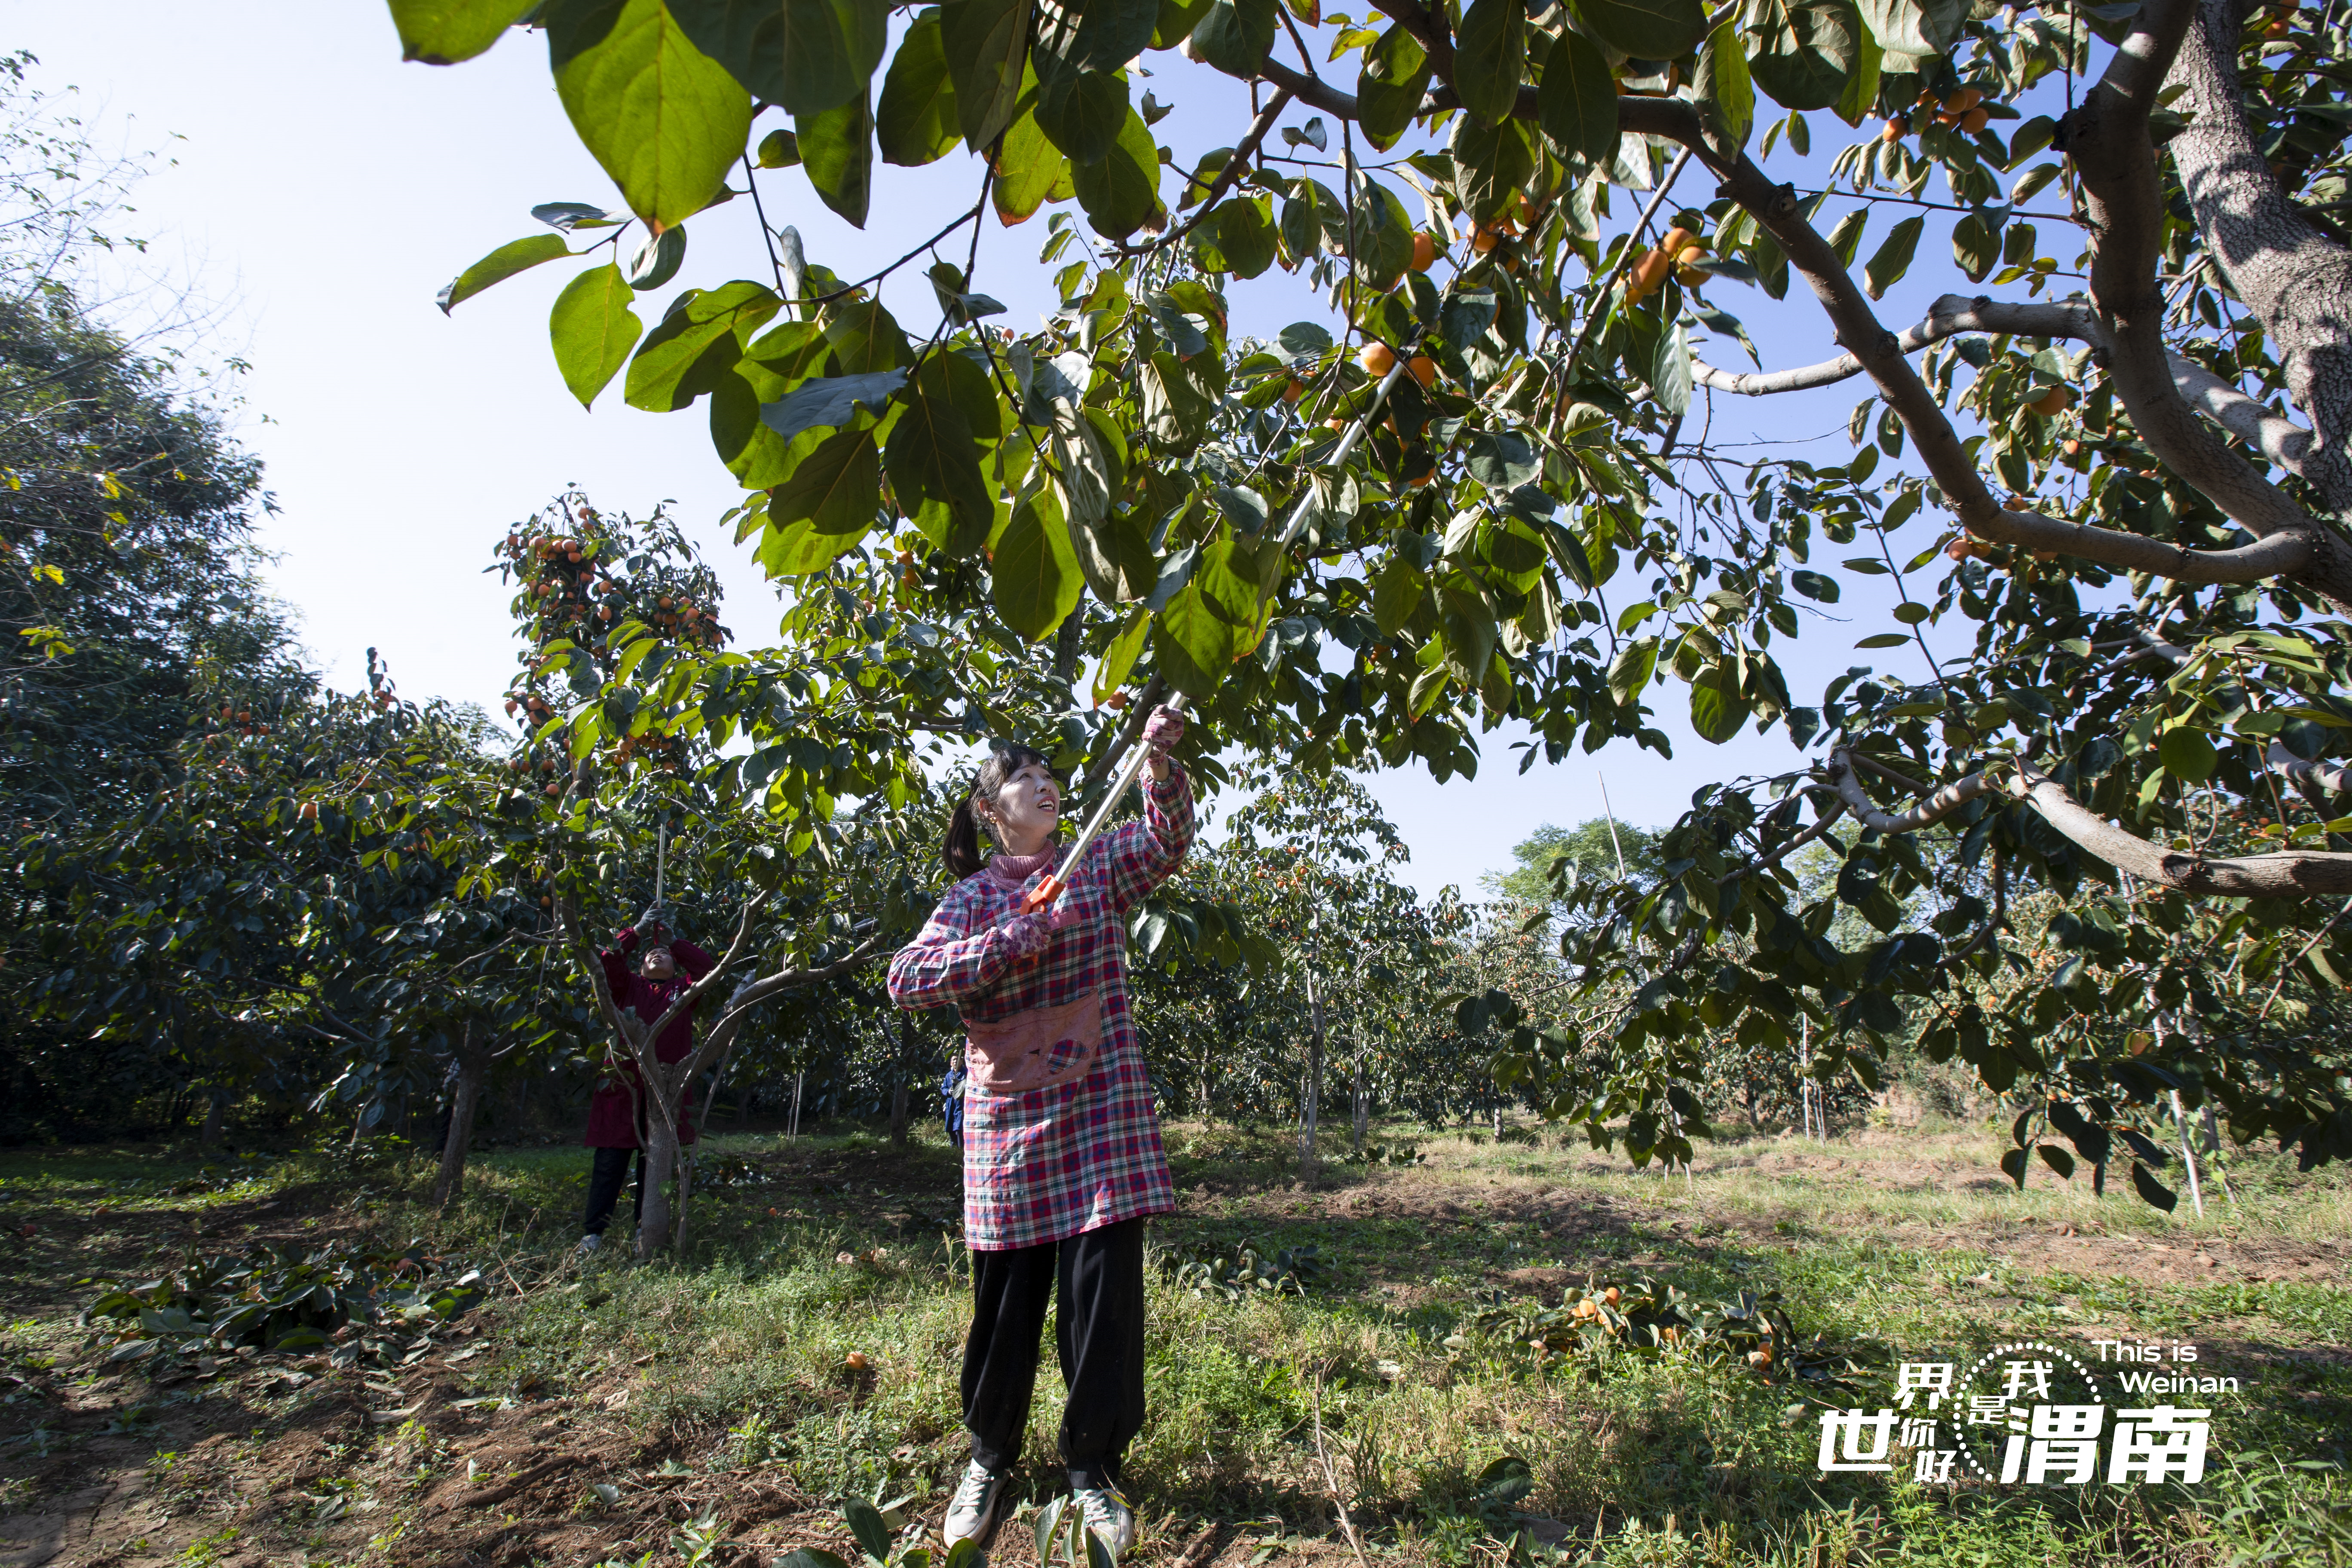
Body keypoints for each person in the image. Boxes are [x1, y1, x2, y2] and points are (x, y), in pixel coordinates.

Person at [887, 707, 1191, 1559]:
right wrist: (1012, 936)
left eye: (1049, 774)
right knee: (1006, 1302)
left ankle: (1093, 1465)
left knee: (1102, 1296)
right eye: (1023, 778)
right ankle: (990, 1458)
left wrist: (1158, 767)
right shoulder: (971, 899)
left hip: (1100, 1107)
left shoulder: (1094, 866)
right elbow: (905, 981)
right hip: (1011, 1121)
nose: (1044, 784)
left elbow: (1164, 845)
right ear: (991, 812)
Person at [577, 904, 714, 1252]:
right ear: (640, 965)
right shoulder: (628, 988)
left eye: (665, 955)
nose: (658, 955)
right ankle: (594, 1234)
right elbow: (607, 961)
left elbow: (707, 969)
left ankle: (644, 1231)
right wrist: (636, 932)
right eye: (651, 954)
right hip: (623, 1085)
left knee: (654, 1162)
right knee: (610, 1160)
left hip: (665, 1087)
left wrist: (677, 943)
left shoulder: (683, 992)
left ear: (674, 968)